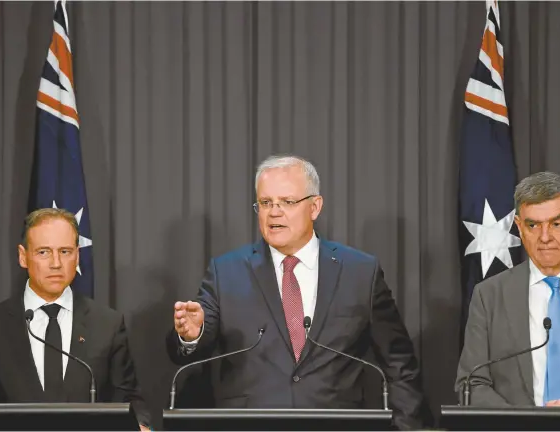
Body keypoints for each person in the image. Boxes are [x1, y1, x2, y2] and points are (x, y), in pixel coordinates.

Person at [166, 155, 427, 429]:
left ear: (315, 207)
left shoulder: (360, 272)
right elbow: (186, 352)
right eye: (265, 203)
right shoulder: (226, 272)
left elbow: (399, 365)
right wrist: (190, 335)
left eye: (287, 202)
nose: (274, 212)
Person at [0, 208, 151, 430]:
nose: (56, 263)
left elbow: (129, 400)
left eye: (65, 251)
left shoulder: (108, 324)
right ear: (23, 256)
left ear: (77, 256)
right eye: (43, 252)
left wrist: (141, 425)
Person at [456, 171, 560, 407]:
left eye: (557, 224)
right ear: (519, 227)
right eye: (533, 225)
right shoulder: (490, 296)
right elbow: (471, 384)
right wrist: (526, 425)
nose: (544, 237)